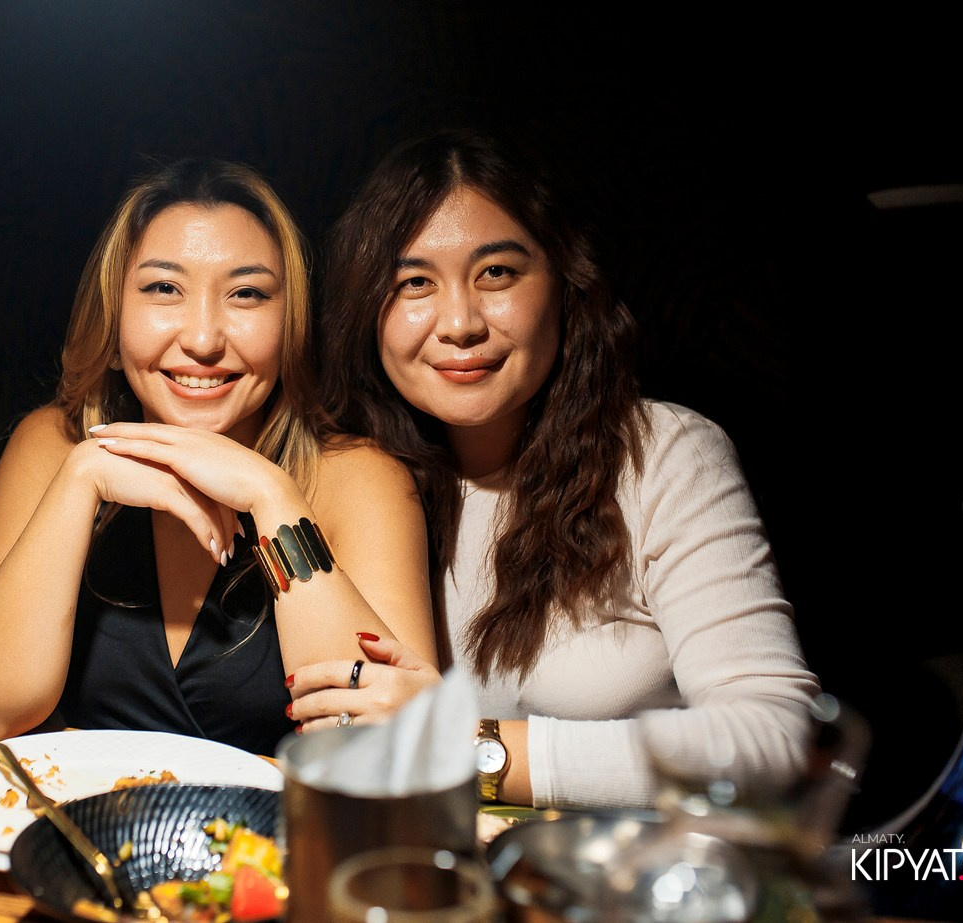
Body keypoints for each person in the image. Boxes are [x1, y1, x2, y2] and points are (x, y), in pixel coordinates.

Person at [287, 129, 821, 810]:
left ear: (565, 284)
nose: (460, 323)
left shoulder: (662, 455)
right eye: (414, 282)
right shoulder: (360, 481)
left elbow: (778, 739)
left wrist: (465, 747)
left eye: (497, 273)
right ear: (366, 311)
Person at [0, 157, 434, 756]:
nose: (203, 340)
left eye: (246, 294)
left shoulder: (360, 480)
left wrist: (272, 497)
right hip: (80, 811)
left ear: (290, 329)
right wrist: (82, 477)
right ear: (114, 323)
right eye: (163, 289)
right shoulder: (54, 446)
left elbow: (379, 751)